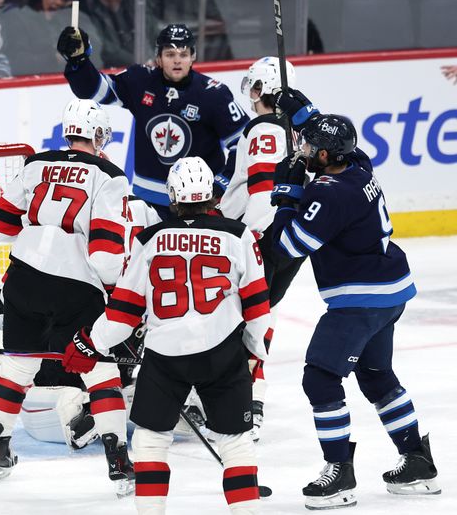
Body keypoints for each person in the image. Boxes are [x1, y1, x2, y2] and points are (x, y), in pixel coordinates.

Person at [62, 156, 268, 515]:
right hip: (222, 354)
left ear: (172, 196)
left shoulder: (149, 239)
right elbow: (257, 308)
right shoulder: (239, 235)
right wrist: (254, 354)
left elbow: (123, 314)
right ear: (212, 196)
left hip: (165, 358)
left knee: (150, 441)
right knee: (235, 443)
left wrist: (88, 342)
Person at [269, 93, 441, 508]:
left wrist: (286, 195)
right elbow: (338, 145)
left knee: (320, 378)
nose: (303, 150)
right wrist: (304, 113)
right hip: (390, 289)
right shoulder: (359, 165)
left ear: (326, 155)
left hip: (359, 300)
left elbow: (285, 247)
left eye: (309, 147)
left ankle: (339, 474)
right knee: (377, 374)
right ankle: (417, 461)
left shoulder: (327, 194)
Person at [0, 98, 135, 496]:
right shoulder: (110, 176)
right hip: (75, 286)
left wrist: (39, 236)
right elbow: (103, 253)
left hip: (23, 277)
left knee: (18, 368)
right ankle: (119, 462)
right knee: (100, 371)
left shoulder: (35, 164)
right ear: (99, 137)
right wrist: (115, 289)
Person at [58, 23, 248, 219]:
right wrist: (78, 62)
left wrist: (221, 183)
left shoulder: (213, 94)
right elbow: (95, 91)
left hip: (197, 205)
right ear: (159, 57)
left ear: (193, 57)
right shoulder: (140, 81)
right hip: (147, 206)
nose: (177, 61)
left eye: (183, 55)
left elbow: (243, 142)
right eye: (170, 54)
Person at [217, 56, 306, 440]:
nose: (250, 95)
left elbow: (263, 191)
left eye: (255, 87)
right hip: (290, 238)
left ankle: (247, 399)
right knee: (260, 312)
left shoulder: (263, 128)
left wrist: (247, 237)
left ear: (264, 90)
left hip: (261, 236)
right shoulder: (296, 130)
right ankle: (249, 395)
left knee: (246, 316)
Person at [0, 0, 105, 76]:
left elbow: (96, 51)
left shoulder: (67, 19)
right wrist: (54, 59)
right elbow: (19, 61)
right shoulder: (19, 19)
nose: (59, 2)